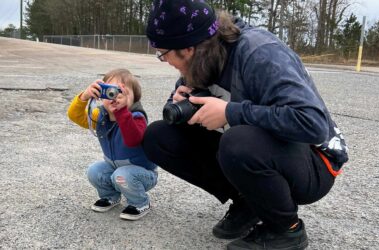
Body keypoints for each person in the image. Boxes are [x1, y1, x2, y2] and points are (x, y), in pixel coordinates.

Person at [143, 0, 348, 249]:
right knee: (159, 136)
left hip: (315, 162)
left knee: (238, 141)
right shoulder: (200, 57)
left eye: (163, 54)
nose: (165, 61)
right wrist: (180, 104)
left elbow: (312, 123)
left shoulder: (260, 52)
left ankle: (286, 231)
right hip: (261, 145)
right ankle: (249, 202)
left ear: (187, 49)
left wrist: (231, 112)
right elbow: (176, 108)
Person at [67, 68, 157, 221]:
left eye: (122, 92)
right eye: (110, 91)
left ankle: (140, 202)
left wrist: (122, 112)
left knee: (121, 176)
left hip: (142, 174)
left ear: (134, 99)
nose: (116, 97)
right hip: (117, 170)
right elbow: (75, 116)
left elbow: (132, 139)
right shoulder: (101, 116)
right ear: (101, 95)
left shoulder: (137, 118)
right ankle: (110, 196)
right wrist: (85, 96)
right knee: (94, 171)